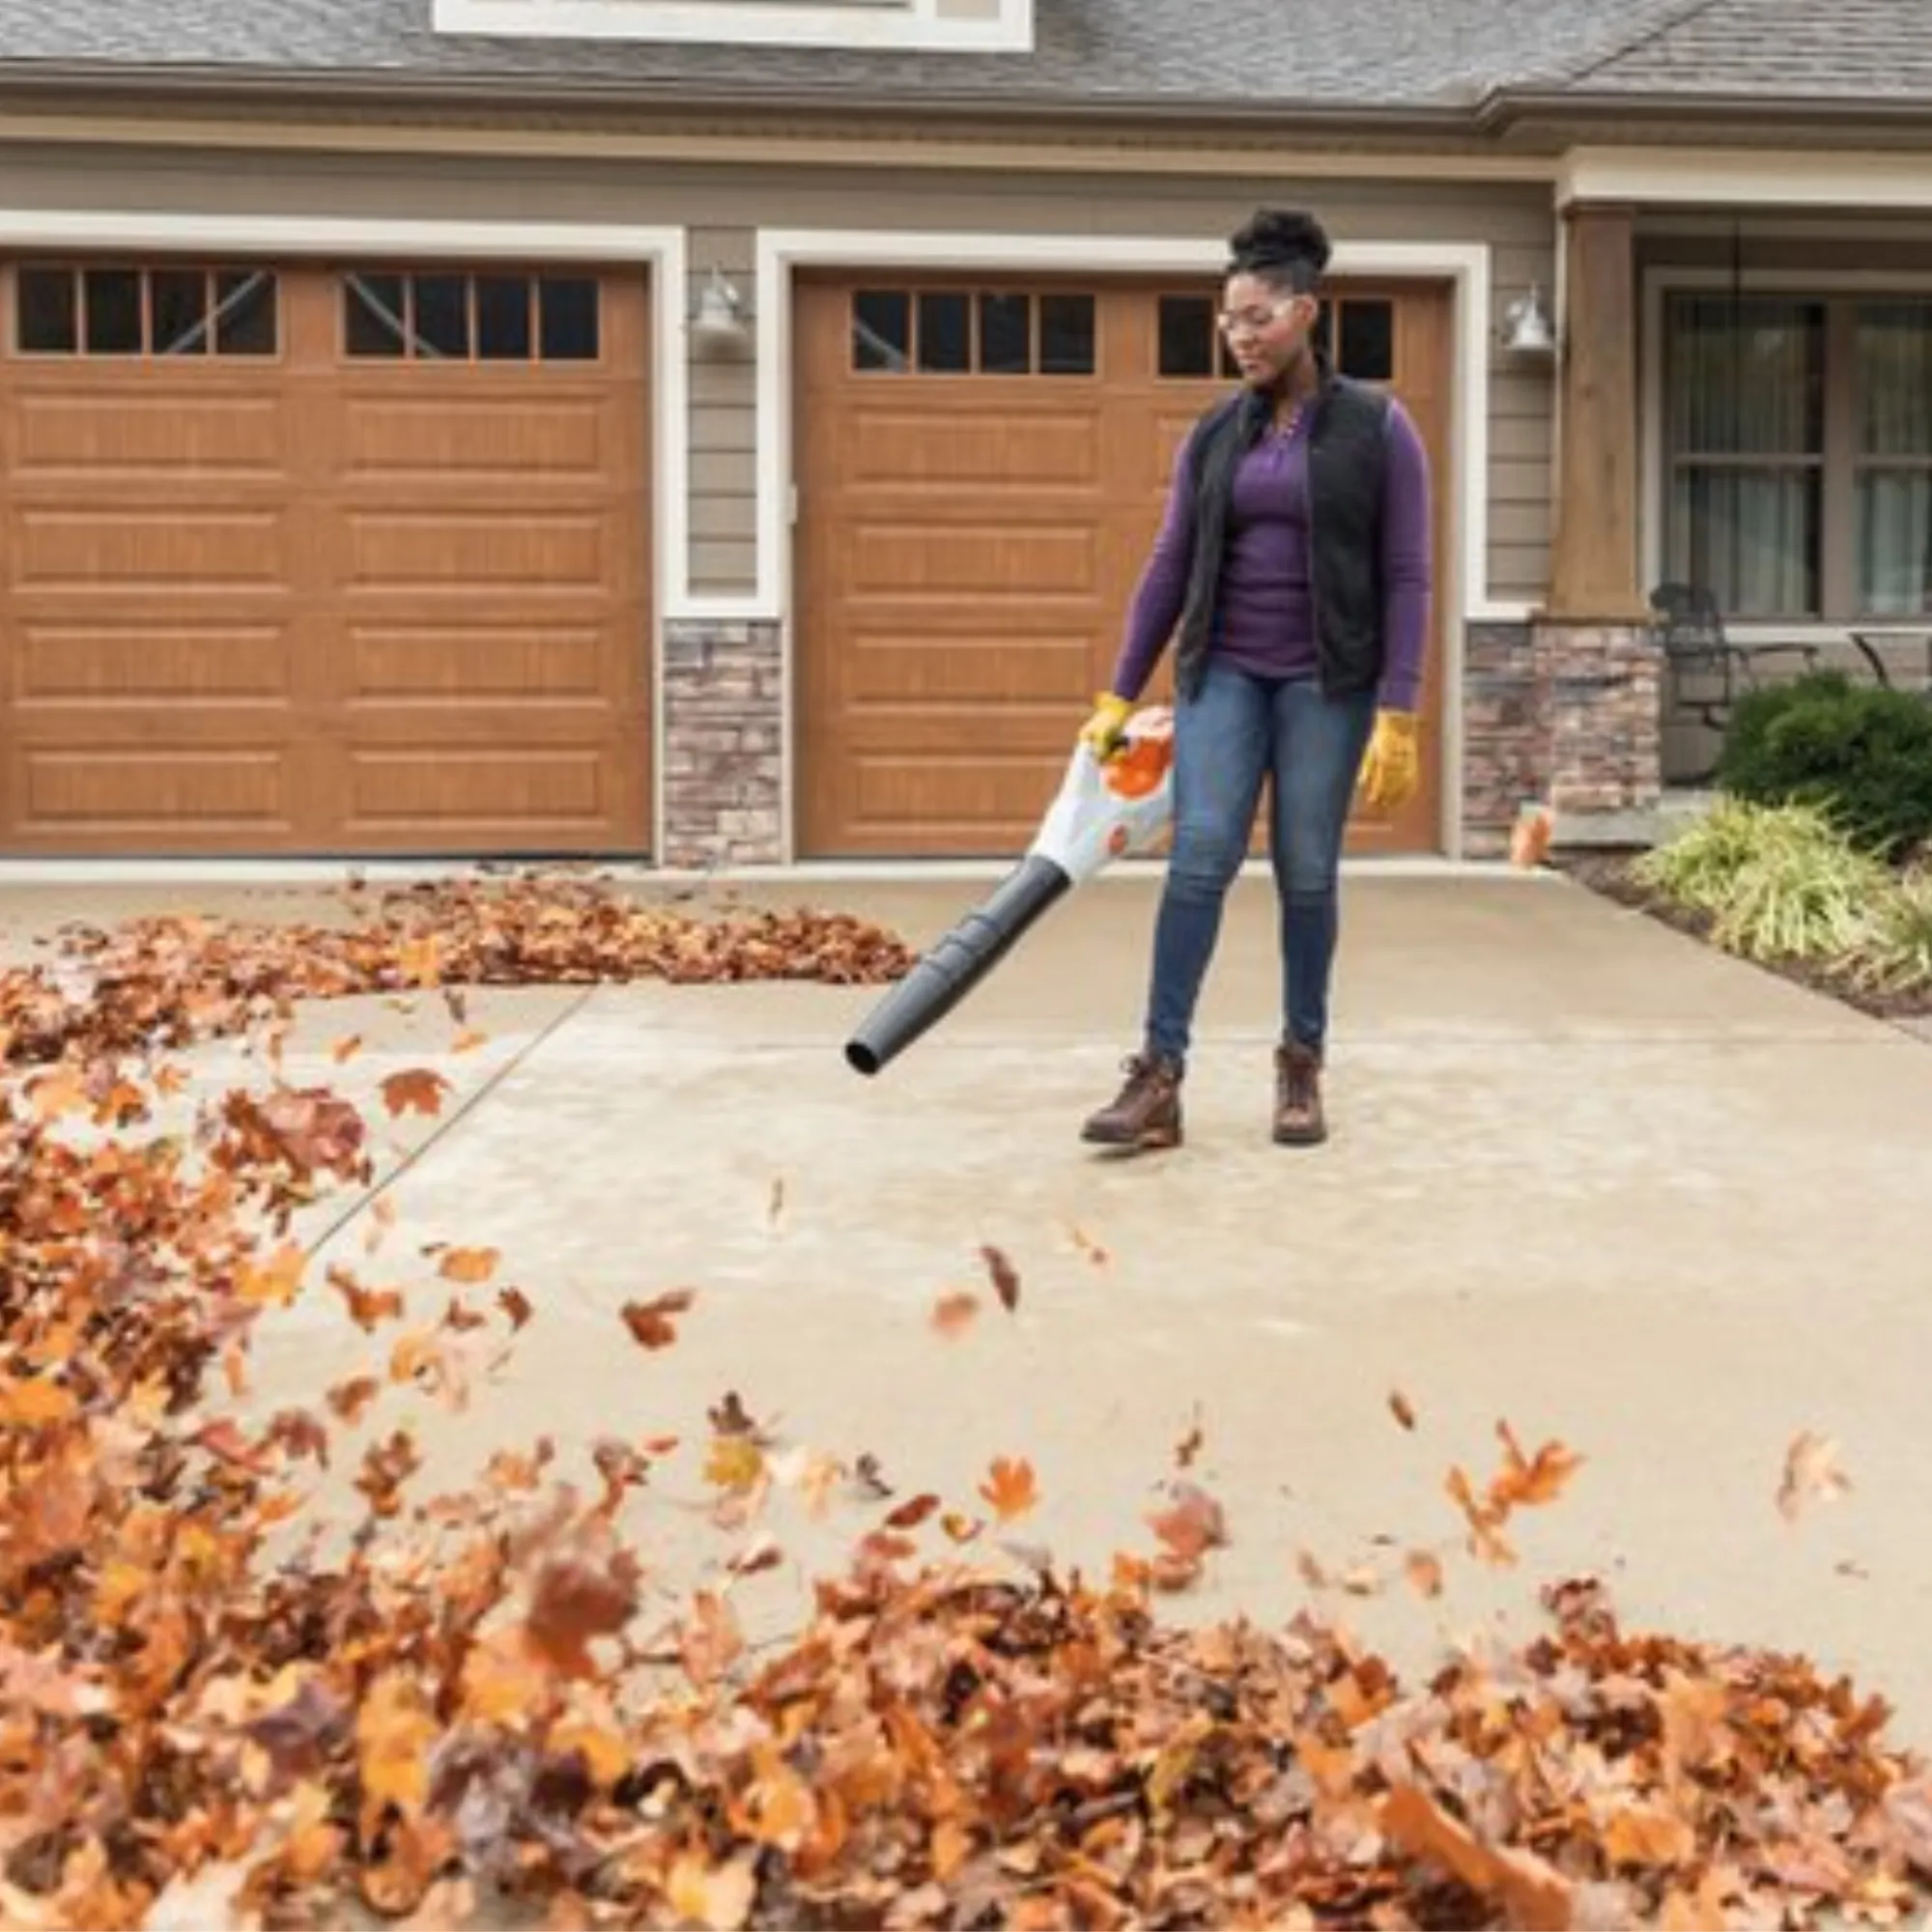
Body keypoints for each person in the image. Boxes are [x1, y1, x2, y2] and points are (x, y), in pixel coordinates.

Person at [1077, 207, 1433, 1152]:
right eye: (1227, 319)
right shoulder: (1212, 433)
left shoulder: (1377, 427)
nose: (1238, 335)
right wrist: (1119, 689)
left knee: (1306, 873)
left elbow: (1406, 573)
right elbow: (1168, 560)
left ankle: (1300, 1065)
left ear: (1305, 313)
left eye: (1256, 316)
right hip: (1221, 670)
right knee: (1199, 859)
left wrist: (1399, 707)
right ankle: (1157, 1075)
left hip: (1327, 681)